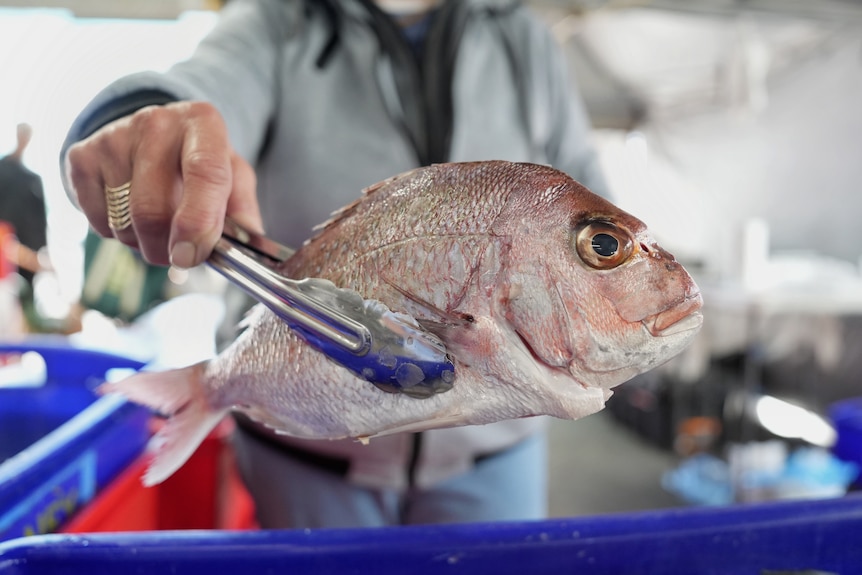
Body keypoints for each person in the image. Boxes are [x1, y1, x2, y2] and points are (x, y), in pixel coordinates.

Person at [60, 0, 609, 528]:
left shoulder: (525, 37)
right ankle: (213, 385)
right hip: (305, 461)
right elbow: (205, 85)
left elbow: (589, 187)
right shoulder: (277, 19)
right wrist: (139, 123)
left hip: (496, 457)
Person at [0, 122, 49, 330]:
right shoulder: (3, 171)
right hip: (7, 248)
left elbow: (40, 222)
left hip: (24, 254)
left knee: (22, 308)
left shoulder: (33, 180)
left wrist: (39, 257)